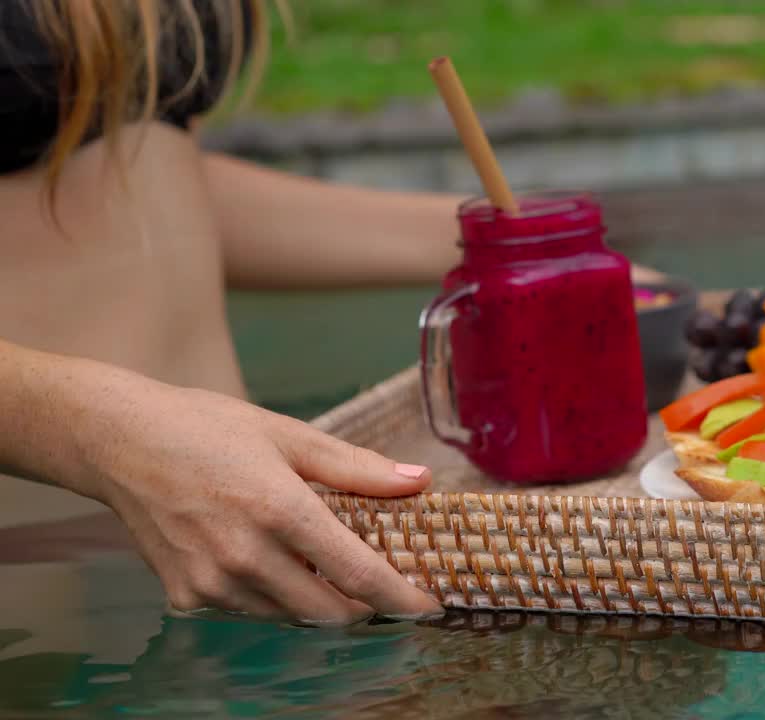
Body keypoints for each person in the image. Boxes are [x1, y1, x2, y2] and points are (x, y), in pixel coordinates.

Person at [0, 0, 475, 626]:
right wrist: (105, 437)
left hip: (234, 515)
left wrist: (486, 237)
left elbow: (139, 178)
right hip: (38, 543)